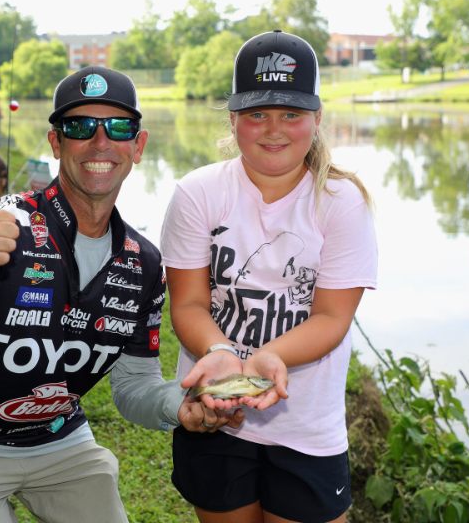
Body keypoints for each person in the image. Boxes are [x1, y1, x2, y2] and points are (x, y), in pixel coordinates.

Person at [0, 66, 243, 523]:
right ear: (56, 143)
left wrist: (179, 405)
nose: (101, 142)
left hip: (59, 441)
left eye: (119, 127)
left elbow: (133, 388)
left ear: (139, 146)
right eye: (80, 126)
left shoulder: (144, 262)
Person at [160, 30, 378, 523]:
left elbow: (331, 318)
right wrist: (221, 355)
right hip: (216, 414)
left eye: (291, 114)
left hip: (307, 427)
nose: (273, 129)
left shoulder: (341, 203)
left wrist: (268, 358)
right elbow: (189, 305)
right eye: (257, 113)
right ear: (234, 119)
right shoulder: (198, 193)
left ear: (317, 119)